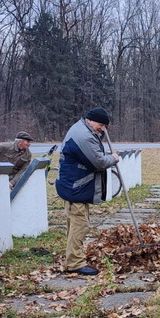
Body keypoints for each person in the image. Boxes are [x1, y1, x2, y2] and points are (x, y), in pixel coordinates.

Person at [55, 107, 120, 276]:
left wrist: (101, 137)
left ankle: (73, 257)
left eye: (106, 126)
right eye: (101, 125)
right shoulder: (83, 136)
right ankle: (75, 263)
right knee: (79, 225)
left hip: (74, 186)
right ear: (90, 120)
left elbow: (93, 153)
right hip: (75, 187)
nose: (103, 129)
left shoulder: (83, 129)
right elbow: (98, 161)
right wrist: (113, 158)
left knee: (75, 224)